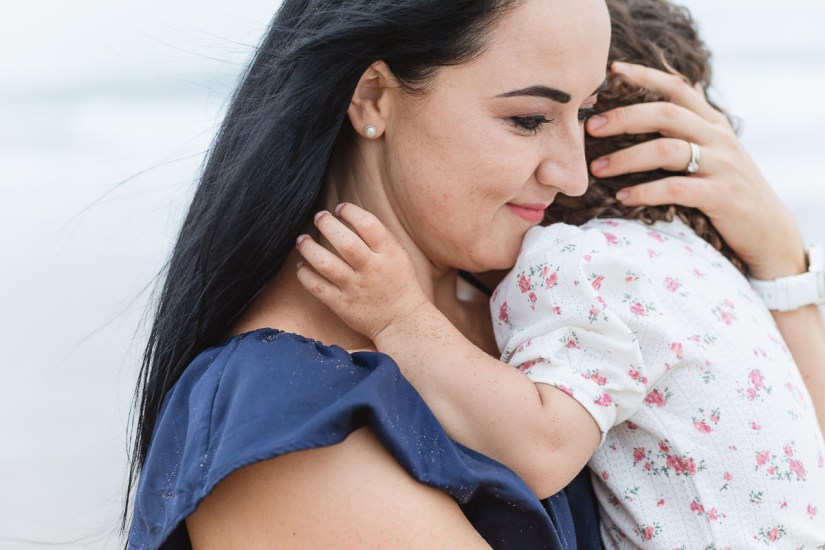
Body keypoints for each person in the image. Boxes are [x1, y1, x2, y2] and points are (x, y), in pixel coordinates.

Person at [126, 1, 823, 549]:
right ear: (372, 97)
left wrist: (779, 264)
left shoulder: (523, 307)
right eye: (527, 119)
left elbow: (782, 475)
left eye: (585, 115)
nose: (572, 173)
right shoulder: (286, 419)